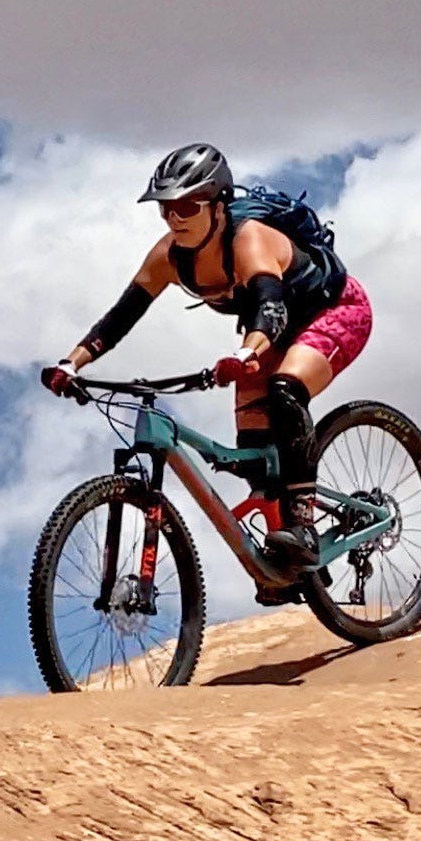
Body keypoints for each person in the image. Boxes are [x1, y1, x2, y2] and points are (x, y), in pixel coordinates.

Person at [41, 143, 373, 578]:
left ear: (218, 204)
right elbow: (122, 316)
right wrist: (71, 365)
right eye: (165, 209)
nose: (174, 218)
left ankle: (305, 526)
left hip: (335, 312)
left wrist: (246, 353)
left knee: (286, 391)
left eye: (186, 206)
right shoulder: (169, 257)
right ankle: (289, 568)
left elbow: (270, 305)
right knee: (254, 454)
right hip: (265, 334)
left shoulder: (249, 237)